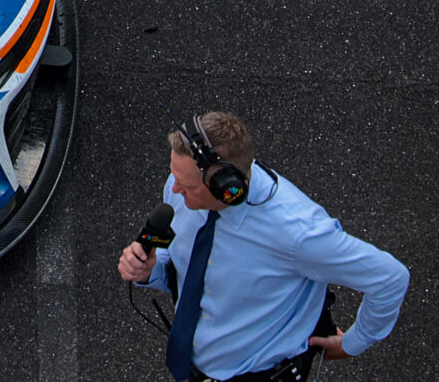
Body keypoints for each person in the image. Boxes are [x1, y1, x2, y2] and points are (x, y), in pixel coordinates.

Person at [118, 111, 410, 379]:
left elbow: (389, 278)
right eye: (174, 175)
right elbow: (193, 266)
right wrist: (151, 270)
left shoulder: (298, 234)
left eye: (187, 185)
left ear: (227, 186)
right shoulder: (180, 185)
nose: (175, 189)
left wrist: (353, 343)